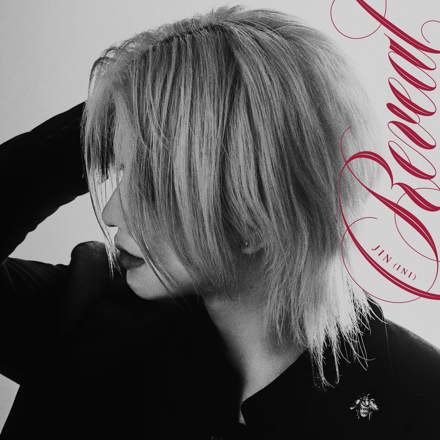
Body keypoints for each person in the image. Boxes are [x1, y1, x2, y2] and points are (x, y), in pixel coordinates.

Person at [1, 5, 439, 440]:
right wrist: (130, 110)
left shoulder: (420, 402)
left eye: (150, 185)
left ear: (255, 215)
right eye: (120, 169)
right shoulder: (88, 310)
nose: (111, 212)